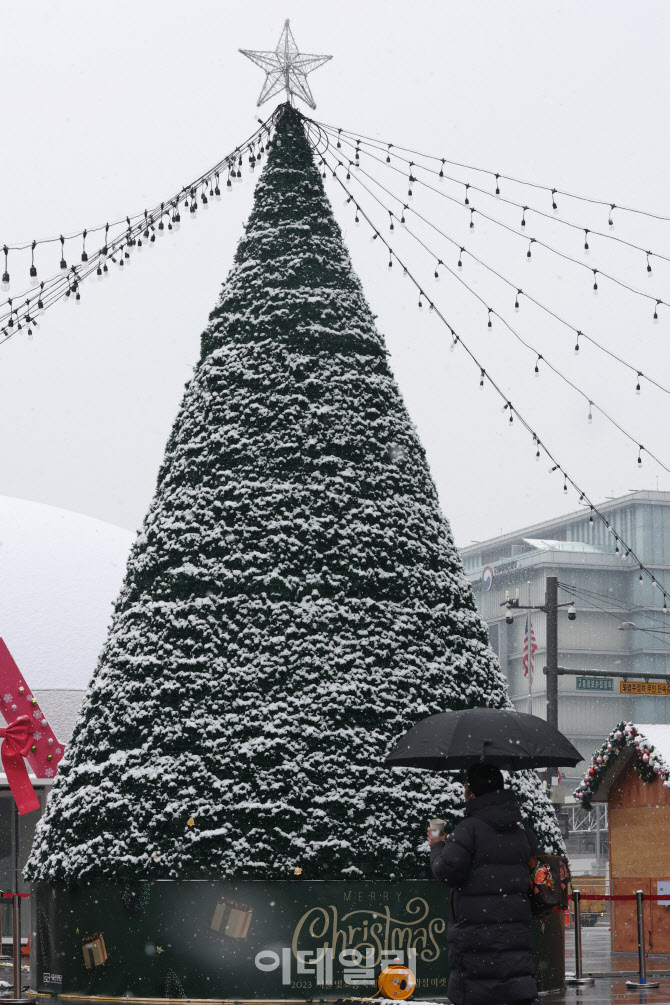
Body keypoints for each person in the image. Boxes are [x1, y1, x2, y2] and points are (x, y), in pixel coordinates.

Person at [428, 763, 539, 1005]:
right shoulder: (521, 829)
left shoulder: (469, 829)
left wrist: (437, 846)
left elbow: (447, 872)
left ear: (472, 792)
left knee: (479, 993)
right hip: (515, 935)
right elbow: (537, 867)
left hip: (477, 939)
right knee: (513, 991)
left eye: (466, 785)